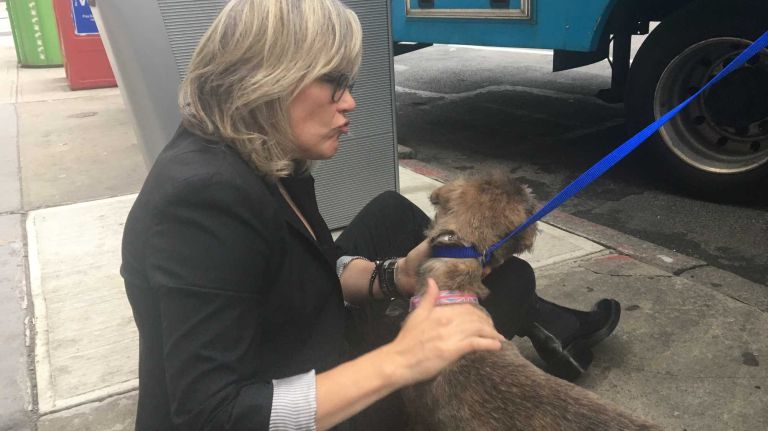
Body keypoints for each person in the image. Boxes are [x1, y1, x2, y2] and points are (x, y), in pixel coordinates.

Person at [120, 0, 619, 430]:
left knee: (391, 211)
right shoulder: (205, 203)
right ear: (267, 79)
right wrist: (402, 360)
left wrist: (394, 275)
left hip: (300, 338)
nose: (351, 101)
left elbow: (304, 269)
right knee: (511, 286)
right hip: (298, 395)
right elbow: (212, 415)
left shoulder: (263, 157)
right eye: (334, 83)